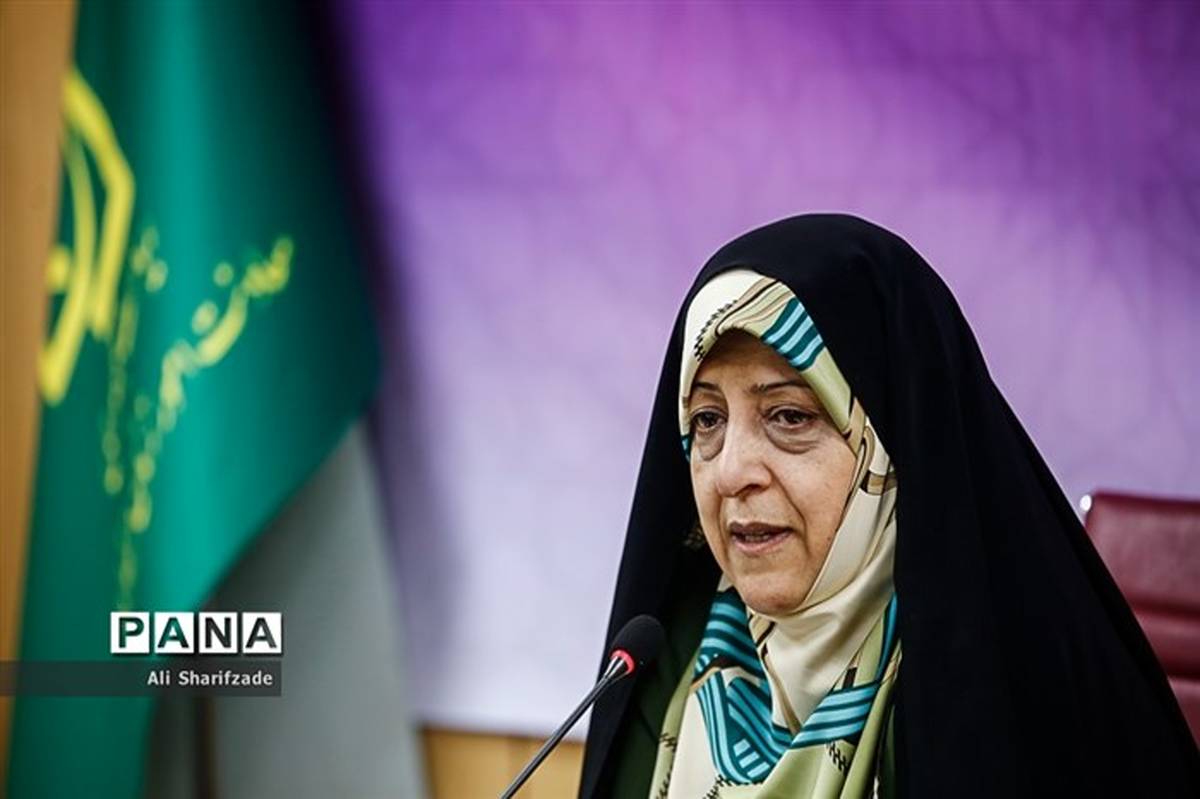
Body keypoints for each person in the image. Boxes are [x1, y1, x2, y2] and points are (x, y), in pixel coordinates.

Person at [578, 214, 1200, 798]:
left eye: (789, 416)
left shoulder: (1017, 696)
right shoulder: (667, 661)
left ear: (893, 444)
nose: (731, 472)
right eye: (707, 420)